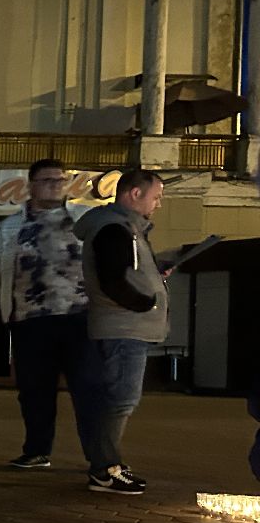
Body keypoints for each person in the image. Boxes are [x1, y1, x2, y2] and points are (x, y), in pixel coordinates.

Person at [0, 159, 98, 470]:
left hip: (79, 319)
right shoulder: (11, 228)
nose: (55, 185)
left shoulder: (84, 220)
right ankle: (37, 450)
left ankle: (100, 456)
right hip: (30, 322)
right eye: (47, 180)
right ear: (31, 185)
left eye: (60, 179)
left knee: (88, 390)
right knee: (34, 390)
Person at [75, 169, 168, 495]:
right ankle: (105, 469)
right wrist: (146, 303)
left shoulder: (121, 228)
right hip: (124, 326)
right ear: (134, 194)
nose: (157, 204)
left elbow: (123, 273)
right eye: (155, 197)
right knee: (119, 400)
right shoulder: (116, 229)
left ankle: (107, 464)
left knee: (114, 399)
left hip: (121, 326)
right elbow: (114, 279)